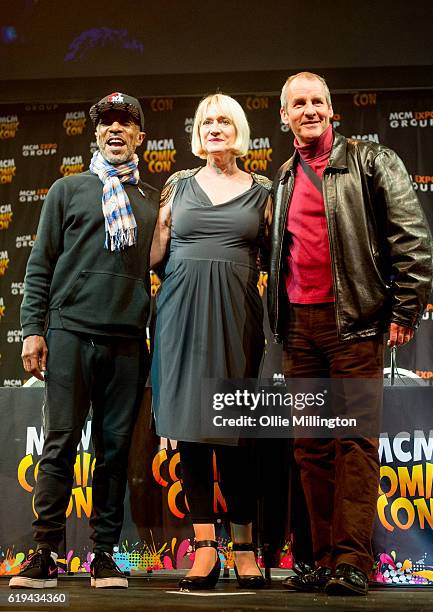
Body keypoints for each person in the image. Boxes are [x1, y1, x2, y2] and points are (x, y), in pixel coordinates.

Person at [267, 72, 433, 596]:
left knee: (354, 443)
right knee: (311, 447)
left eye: (318, 101)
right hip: (298, 328)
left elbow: (412, 236)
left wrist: (404, 310)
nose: (309, 109)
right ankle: (319, 559)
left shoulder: (371, 161)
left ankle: (352, 561)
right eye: (299, 103)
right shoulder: (283, 177)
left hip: (355, 325)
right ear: (284, 116)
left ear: (331, 110)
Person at [9, 92, 159, 589]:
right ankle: (45, 553)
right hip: (69, 333)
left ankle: (104, 556)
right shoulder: (67, 189)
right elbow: (39, 266)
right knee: (59, 446)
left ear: (140, 136)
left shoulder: (151, 200)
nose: (115, 130)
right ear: (95, 134)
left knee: (115, 452)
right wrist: (33, 330)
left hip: (126, 343)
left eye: (125, 123)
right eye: (106, 123)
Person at [150, 93, 272, 590]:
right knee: (191, 430)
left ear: (239, 130)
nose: (214, 127)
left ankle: (244, 548)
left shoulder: (263, 189)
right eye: (206, 120)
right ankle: (204, 551)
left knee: (235, 429)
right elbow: (155, 253)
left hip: (237, 314)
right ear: (196, 131)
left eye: (224, 120)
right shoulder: (177, 184)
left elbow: (276, 255)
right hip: (179, 310)